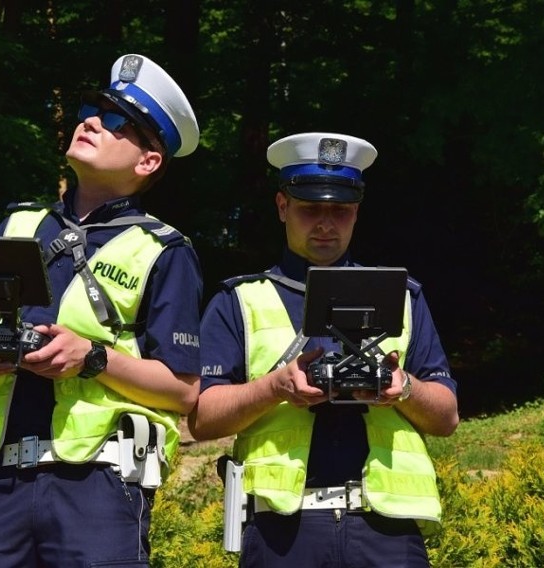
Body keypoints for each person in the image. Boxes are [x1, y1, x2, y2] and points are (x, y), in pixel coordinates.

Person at [0, 53, 203, 568]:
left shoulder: (164, 249)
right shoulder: (17, 224)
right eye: (91, 109)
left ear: (148, 161)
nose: (91, 122)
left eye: (115, 123)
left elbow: (184, 390)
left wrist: (92, 358)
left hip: (98, 486)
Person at [188, 132, 459, 567]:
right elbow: (201, 418)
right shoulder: (239, 300)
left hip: (386, 527)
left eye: (341, 210)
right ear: (282, 207)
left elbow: (447, 416)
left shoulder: (404, 296)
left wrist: (402, 387)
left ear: (357, 211)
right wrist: (275, 387)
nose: (326, 223)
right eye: (311, 208)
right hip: (283, 531)